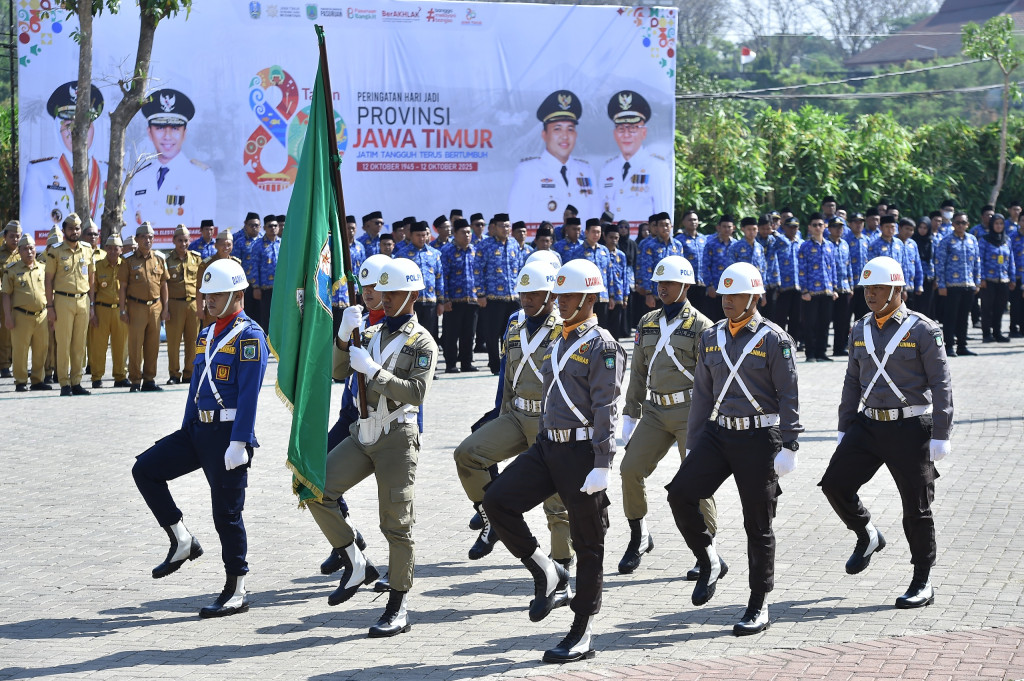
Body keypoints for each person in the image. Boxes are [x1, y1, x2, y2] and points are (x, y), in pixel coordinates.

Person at [482, 259, 626, 663]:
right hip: (548, 447)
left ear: (589, 297)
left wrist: (603, 461)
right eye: (558, 295)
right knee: (497, 501)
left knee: (588, 542)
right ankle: (545, 569)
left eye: (567, 296)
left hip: (582, 454)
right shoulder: (560, 339)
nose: (559, 303)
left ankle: (582, 630)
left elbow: (606, 407)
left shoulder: (603, 346)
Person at [666, 261, 801, 636]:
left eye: (737, 294)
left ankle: (759, 602)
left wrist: (789, 443)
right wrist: (693, 444)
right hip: (719, 434)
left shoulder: (775, 339)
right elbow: (703, 395)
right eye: (724, 294)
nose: (728, 301)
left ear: (755, 297)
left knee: (757, 525)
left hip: (760, 439)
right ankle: (708, 557)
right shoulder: (711, 337)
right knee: (680, 494)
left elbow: (788, 394)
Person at [307, 258, 438, 637]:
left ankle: (398, 605)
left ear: (413, 295)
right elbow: (336, 371)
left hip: (398, 437)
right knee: (317, 489)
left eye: (394, 292)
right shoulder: (373, 331)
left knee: (396, 526)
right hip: (364, 432)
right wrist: (345, 338)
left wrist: (374, 372)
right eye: (384, 290)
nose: (386, 297)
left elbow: (417, 392)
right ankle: (355, 559)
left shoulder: (422, 341)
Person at [131, 258, 268, 618]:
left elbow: (250, 394)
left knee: (226, 514)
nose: (207, 301)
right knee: (146, 469)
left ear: (237, 294)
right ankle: (182, 539)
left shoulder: (250, 336)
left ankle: (236, 588)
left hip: (228, 434)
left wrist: (240, 442)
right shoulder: (207, 334)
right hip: (198, 430)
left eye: (216, 294)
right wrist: (185, 427)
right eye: (206, 294)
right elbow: (196, 387)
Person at [820, 256, 952, 610]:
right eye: (867, 288)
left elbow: (941, 383)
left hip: (912, 427)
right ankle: (867, 534)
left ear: (897, 290)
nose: (871, 294)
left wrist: (942, 431)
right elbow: (852, 379)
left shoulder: (923, 329)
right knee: (834, 484)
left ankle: (922, 579)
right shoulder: (859, 327)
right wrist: (843, 426)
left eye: (879, 288)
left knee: (917, 507)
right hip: (868, 423)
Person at [454, 259, 573, 566]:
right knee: (468, 453)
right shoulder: (514, 322)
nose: (527, 299)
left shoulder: (565, 328)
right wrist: (501, 412)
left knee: (555, 500)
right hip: (515, 414)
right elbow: (508, 374)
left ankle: (562, 562)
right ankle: (490, 517)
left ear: (550, 294)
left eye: (534, 293)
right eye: (523, 293)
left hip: (550, 422)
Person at [620, 255, 715, 578]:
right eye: (660, 283)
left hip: (690, 411)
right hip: (656, 410)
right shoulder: (647, 321)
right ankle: (639, 535)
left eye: (670, 283)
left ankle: (707, 551)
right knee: (629, 469)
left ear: (686, 286)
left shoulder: (702, 326)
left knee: (696, 479)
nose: (663, 288)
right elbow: (637, 372)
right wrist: (630, 414)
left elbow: (714, 377)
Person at [127, 88, 216, 230]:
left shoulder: (201, 176)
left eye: (175, 128)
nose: (167, 136)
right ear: (149, 132)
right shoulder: (139, 176)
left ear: (184, 133)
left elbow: (203, 230)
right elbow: (130, 226)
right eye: (160, 127)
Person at [508, 90, 598, 224]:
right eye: (557, 129)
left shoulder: (586, 171)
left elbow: (596, 220)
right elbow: (517, 222)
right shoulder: (528, 171)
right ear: (544, 134)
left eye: (570, 129)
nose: (565, 136)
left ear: (576, 135)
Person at [22, 81, 105, 225]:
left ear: (94, 129)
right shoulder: (39, 172)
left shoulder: (112, 172)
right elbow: (31, 225)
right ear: (57, 129)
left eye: (85, 125)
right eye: (68, 125)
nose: (76, 132)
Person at [599, 90, 671, 222]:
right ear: (615, 134)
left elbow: (663, 215)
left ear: (644, 132)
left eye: (632, 128)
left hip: (644, 241)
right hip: (611, 240)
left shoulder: (657, 168)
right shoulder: (607, 169)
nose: (626, 134)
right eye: (621, 128)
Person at [45, 213, 96, 396]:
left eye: (77, 228)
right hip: (62, 300)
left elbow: (91, 278)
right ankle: (64, 383)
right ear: (64, 230)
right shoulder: (56, 251)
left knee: (79, 345)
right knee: (64, 344)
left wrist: (92, 305)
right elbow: (48, 280)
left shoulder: (87, 249)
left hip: (83, 300)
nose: (74, 232)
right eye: (71, 228)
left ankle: (76, 382)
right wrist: (49, 307)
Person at [119, 223, 169, 392]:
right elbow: (123, 287)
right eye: (144, 237)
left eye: (150, 237)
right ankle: (134, 380)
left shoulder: (159, 259)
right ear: (137, 239)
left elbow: (163, 285)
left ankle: (149, 380)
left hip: (155, 306)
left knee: (153, 346)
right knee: (135, 345)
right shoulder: (129, 260)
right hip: (136, 307)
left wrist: (165, 308)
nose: (148, 240)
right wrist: (122, 310)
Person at [2, 233, 51, 391]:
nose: (29, 252)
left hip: (41, 315)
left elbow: (51, 291)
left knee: (41, 349)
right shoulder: (12, 270)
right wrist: (7, 317)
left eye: (31, 248)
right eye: (25, 249)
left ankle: (37, 380)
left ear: (35, 249)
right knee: (20, 350)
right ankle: (21, 381)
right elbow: (6, 295)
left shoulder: (43, 268)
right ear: (19, 251)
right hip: (21, 316)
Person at [474, 214, 522, 374]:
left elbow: (520, 269)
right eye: (502, 226)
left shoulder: (514, 244)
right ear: (494, 227)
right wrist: (480, 294)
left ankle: (510, 364)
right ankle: (495, 365)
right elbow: (478, 270)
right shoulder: (485, 245)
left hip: (513, 297)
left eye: (508, 226)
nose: (505, 229)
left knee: (512, 334)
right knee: (492, 334)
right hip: (492, 298)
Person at [935, 211, 980, 357]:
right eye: (958, 222)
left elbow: (977, 262)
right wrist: (941, 284)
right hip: (951, 285)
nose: (961, 225)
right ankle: (949, 346)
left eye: (964, 223)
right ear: (953, 224)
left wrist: (977, 282)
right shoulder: (946, 241)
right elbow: (939, 264)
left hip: (968, 284)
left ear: (967, 225)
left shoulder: (972, 240)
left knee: (963, 316)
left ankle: (962, 345)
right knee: (950, 317)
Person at [89, 233, 130, 389]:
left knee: (121, 345)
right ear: (105, 248)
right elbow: (92, 290)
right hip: (102, 309)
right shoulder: (98, 266)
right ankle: (96, 376)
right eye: (110, 248)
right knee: (98, 345)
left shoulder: (125, 266)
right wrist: (92, 309)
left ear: (121, 250)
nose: (113, 251)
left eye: (116, 248)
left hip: (121, 310)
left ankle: (120, 376)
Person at [797, 214, 838, 362]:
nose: (817, 227)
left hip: (827, 290)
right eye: (814, 225)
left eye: (820, 224)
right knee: (810, 324)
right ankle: (811, 354)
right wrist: (804, 291)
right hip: (811, 292)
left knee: (825, 323)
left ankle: (822, 353)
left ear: (824, 226)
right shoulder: (805, 246)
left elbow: (833, 268)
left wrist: (834, 288)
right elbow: (801, 270)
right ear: (809, 227)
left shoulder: (829, 246)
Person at [165, 225, 203, 385]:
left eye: (186, 240)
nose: (183, 244)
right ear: (174, 241)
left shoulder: (196, 258)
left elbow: (201, 284)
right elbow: (163, 285)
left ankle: (189, 373)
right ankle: (174, 374)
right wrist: (165, 308)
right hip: (174, 305)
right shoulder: (167, 260)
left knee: (192, 341)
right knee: (173, 342)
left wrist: (202, 306)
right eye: (180, 240)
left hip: (193, 304)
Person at [440, 218, 478, 373]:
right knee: (451, 334)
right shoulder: (447, 251)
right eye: (463, 232)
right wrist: (446, 299)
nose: (467, 235)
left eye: (469, 232)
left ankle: (466, 363)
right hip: (454, 301)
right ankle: (451, 364)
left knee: (469, 335)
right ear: (455, 233)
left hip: (472, 299)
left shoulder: (475, 250)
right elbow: (443, 276)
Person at [402, 221, 445, 342]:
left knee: (428, 337)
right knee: (410, 336)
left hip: (430, 301)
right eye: (418, 235)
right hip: (411, 303)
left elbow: (439, 278)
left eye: (424, 235)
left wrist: (441, 301)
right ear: (410, 235)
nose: (422, 238)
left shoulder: (435, 254)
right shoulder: (402, 254)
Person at [978, 213, 1015, 343]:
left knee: (1000, 308)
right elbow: (979, 260)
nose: (998, 226)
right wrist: (981, 278)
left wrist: (1012, 278)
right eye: (996, 223)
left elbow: (1010, 260)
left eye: (1001, 223)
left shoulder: (1007, 240)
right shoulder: (984, 240)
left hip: (1003, 279)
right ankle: (987, 334)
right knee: (987, 308)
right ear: (992, 225)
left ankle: (997, 333)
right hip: (988, 280)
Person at [569, 218, 612, 326]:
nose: (596, 234)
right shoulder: (578, 251)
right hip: (586, 295)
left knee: (602, 325)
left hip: (603, 295)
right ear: (586, 232)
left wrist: (612, 295)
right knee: (587, 325)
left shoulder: (604, 250)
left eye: (598, 232)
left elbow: (609, 274)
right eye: (593, 231)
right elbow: (575, 274)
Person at [637, 212, 685, 310]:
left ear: (671, 226)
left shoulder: (678, 245)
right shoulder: (649, 245)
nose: (665, 228)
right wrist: (648, 293)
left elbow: (681, 268)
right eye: (661, 225)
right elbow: (646, 270)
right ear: (657, 228)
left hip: (675, 293)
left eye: (667, 225)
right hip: (656, 293)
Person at [196, 231, 239, 327]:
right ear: (215, 245)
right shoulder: (207, 264)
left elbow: (239, 289)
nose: (226, 248)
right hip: (213, 307)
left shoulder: (236, 263)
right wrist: (200, 309)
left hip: (232, 307)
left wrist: (241, 306)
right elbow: (199, 288)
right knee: (212, 334)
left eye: (229, 245)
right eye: (223, 245)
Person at [828, 218, 854, 356]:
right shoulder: (826, 244)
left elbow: (848, 266)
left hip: (844, 287)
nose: (839, 230)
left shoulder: (845, 244)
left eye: (841, 227)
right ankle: (820, 348)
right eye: (835, 227)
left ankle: (839, 347)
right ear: (829, 229)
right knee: (826, 320)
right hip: (830, 288)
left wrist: (851, 286)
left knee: (843, 320)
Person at [701, 216, 736, 322]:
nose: (726, 229)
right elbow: (705, 266)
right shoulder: (710, 244)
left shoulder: (737, 245)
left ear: (733, 228)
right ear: (718, 228)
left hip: (732, 291)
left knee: (730, 320)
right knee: (713, 321)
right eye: (724, 226)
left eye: (729, 227)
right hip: (715, 291)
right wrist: (709, 286)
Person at [0, 220, 22, 377]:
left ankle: (18, 363)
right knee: (6, 332)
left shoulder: (25, 252)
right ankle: (4, 364)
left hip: (21, 299)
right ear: (5, 237)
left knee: (21, 331)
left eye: (18, 236)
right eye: (12, 236)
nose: (15, 239)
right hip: (3, 299)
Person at [603, 223, 633, 339]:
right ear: (604, 237)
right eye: (611, 237)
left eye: (616, 238)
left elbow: (625, 276)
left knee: (615, 326)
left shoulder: (621, 255)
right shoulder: (601, 252)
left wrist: (626, 296)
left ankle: (614, 352)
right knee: (604, 325)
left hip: (618, 295)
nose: (613, 240)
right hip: (604, 295)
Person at [233, 212, 263, 320]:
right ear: (245, 225)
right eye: (251, 225)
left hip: (261, 284)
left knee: (261, 315)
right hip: (245, 284)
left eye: (257, 225)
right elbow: (235, 264)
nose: (254, 228)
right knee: (246, 314)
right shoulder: (239, 242)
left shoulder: (263, 241)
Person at [252, 219, 281, 334]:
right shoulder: (258, 245)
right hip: (265, 289)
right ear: (264, 228)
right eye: (270, 226)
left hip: (280, 289)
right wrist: (256, 287)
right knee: (266, 318)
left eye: (275, 225)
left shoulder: (282, 243)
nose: (273, 228)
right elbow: (254, 267)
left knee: (280, 317)